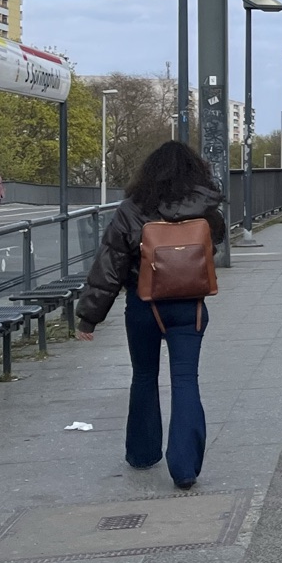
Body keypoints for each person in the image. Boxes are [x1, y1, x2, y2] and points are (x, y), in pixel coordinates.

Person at [75, 141, 226, 490]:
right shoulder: (206, 208)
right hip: (190, 306)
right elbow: (213, 245)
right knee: (186, 379)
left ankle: (143, 453)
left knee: (144, 376)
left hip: (144, 305)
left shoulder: (132, 209)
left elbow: (110, 264)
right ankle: (185, 468)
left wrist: (89, 316)